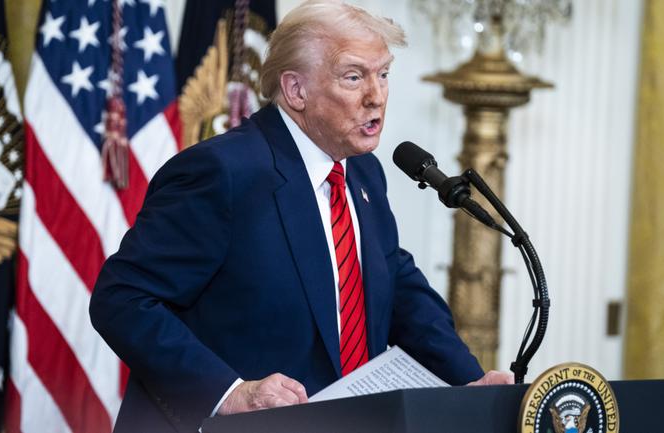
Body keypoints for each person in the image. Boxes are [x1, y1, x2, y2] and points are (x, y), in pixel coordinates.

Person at [90, 1, 513, 432]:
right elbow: (122, 299)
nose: (376, 95)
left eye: (383, 74)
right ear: (296, 91)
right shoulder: (224, 172)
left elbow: (395, 285)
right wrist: (229, 392)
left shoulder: (364, 171)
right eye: (354, 77)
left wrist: (469, 379)